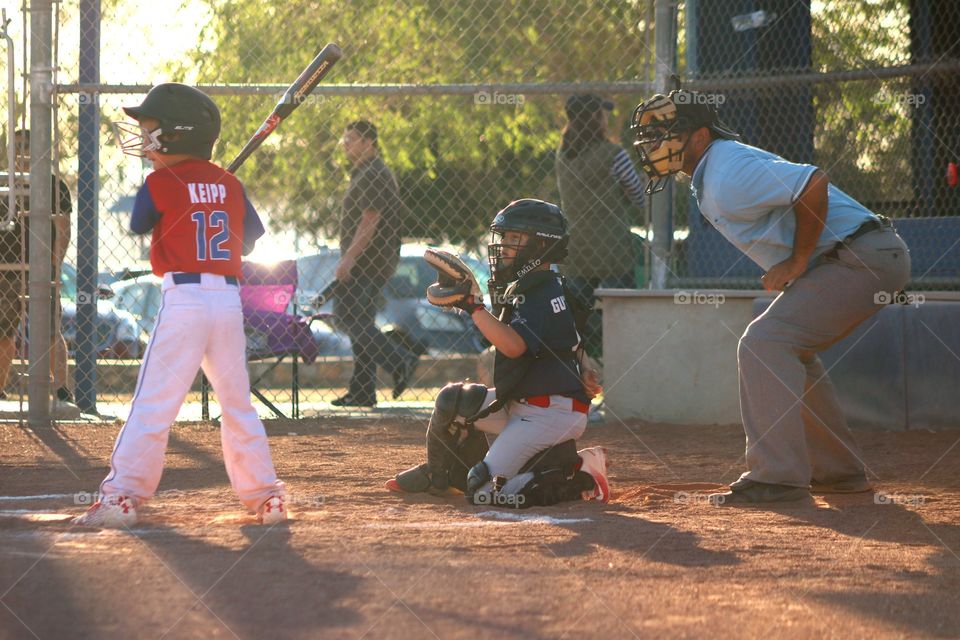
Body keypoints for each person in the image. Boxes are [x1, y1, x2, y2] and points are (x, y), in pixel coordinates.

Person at [631, 90, 911, 505]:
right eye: (651, 136)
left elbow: (813, 181)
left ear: (700, 136)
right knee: (786, 348)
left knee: (765, 343)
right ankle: (837, 472)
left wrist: (797, 262)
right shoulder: (716, 168)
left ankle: (777, 477)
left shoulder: (726, 170)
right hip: (856, 256)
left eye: (666, 134)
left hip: (861, 258)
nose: (654, 146)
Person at [73, 83, 286, 527]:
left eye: (151, 130)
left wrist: (182, 189)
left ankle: (122, 497)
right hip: (227, 305)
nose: (143, 139)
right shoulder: (230, 183)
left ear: (176, 135)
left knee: (154, 402)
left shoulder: (157, 183)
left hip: (185, 301)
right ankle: (267, 497)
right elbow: (249, 239)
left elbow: (138, 222)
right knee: (237, 402)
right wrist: (215, 188)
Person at [387, 199, 609, 507]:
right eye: (504, 237)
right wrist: (583, 369)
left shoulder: (542, 291)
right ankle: (442, 476)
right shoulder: (538, 285)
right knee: (455, 402)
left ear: (542, 244)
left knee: (485, 490)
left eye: (515, 238)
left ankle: (577, 474)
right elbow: (569, 339)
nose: (504, 245)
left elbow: (514, 345)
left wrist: (473, 307)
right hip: (524, 403)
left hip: (548, 414)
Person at [331, 120, 418, 407]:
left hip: (367, 264)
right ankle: (362, 391)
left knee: (348, 319)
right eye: (345, 138)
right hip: (370, 263)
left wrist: (349, 258)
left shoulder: (372, 174)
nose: (346, 144)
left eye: (352, 139)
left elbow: (370, 219)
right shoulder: (367, 172)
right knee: (361, 322)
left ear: (369, 143)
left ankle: (400, 360)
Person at [556, 94, 646, 359]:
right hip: (612, 251)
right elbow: (638, 196)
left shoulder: (562, 155)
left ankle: (576, 373)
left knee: (574, 324)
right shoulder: (614, 154)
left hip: (576, 252)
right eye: (603, 114)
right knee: (620, 321)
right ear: (597, 118)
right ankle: (621, 373)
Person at [0, 129, 79, 418]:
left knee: (48, 332)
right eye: (16, 147)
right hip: (5, 268)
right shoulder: (3, 184)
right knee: (4, 332)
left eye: (27, 147)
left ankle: (60, 391)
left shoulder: (52, 185)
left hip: (42, 268)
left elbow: (63, 230)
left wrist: (54, 267)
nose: (21, 154)